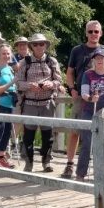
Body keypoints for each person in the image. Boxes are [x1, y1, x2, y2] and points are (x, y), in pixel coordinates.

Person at [64, 21, 104, 178]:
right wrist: (72, 89)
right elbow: (69, 72)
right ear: (86, 33)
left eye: (96, 31)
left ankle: (103, 171)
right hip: (82, 96)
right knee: (76, 132)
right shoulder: (77, 50)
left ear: (101, 33)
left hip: (103, 101)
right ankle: (70, 165)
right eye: (90, 31)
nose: (93, 34)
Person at [14, 33, 64, 173]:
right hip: (29, 103)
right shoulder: (25, 62)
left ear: (46, 45)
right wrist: (30, 85)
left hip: (47, 103)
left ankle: (46, 162)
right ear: (31, 46)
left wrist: (50, 84)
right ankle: (28, 163)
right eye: (35, 44)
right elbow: (18, 83)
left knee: (47, 135)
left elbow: (59, 81)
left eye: (41, 44)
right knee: (28, 135)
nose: (38, 46)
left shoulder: (52, 61)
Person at [75, 48, 104, 180]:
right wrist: (90, 98)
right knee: (88, 142)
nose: (100, 60)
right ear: (94, 60)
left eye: (102, 58)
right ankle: (81, 174)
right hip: (90, 111)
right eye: (97, 58)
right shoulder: (88, 74)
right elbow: (84, 92)